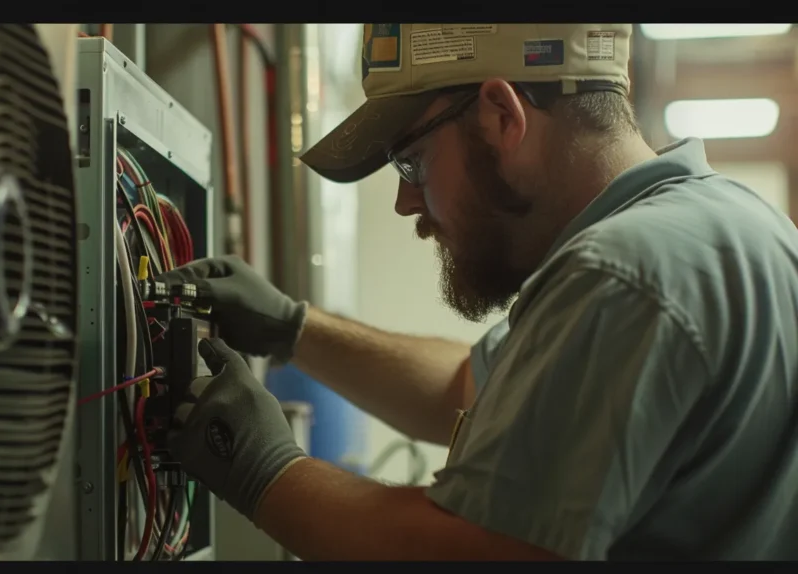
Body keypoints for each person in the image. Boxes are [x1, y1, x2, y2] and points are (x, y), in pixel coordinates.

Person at [158, 24, 798, 560]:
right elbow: (468, 387)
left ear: (501, 116)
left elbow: (479, 550)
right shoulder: (719, 227)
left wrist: (264, 468)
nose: (408, 202)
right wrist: (293, 329)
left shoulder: (623, 273)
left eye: (411, 160)